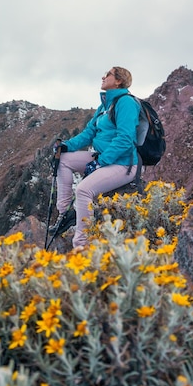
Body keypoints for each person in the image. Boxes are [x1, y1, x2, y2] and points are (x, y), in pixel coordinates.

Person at [54, 66, 140, 249]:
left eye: (107, 74)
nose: (103, 76)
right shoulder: (105, 105)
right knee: (63, 160)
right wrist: (66, 146)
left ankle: (82, 245)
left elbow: (125, 139)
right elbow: (89, 133)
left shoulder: (126, 103)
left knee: (83, 191)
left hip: (124, 164)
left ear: (118, 81)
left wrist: (101, 162)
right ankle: (64, 215)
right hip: (103, 157)